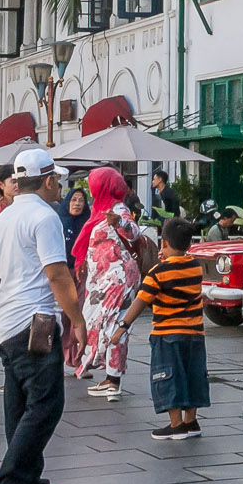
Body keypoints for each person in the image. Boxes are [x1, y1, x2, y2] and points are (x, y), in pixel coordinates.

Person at [0, 148, 85, 484]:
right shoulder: (45, 217)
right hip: (34, 323)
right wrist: (77, 319)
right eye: (57, 178)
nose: (60, 185)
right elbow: (57, 273)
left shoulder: (4, 217)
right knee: (46, 405)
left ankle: (30, 483)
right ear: (46, 180)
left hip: (6, 322)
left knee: (19, 405)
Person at [112, 216, 209, 440]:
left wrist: (122, 326)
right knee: (192, 375)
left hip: (167, 335)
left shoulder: (157, 274)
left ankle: (176, 425)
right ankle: (191, 421)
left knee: (169, 377)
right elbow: (180, 262)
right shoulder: (195, 267)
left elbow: (140, 302)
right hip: (195, 334)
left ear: (164, 243)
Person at [71, 166, 139, 399]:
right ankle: (112, 378)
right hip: (104, 278)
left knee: (109, 325)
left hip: (117, 277)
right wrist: (83, 262)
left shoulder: (117, 208)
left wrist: (120, 222)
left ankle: (113, 380)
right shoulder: (98, 208)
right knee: (109, 325)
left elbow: (134, 233)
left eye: (94, 183)